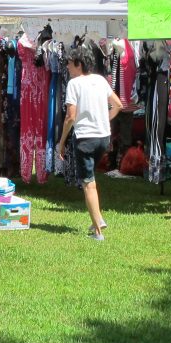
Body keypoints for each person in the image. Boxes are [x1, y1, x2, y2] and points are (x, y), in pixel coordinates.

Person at [56, 45, 125, 241]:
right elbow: (118, 105)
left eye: (70, 63)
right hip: (103, 137)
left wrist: (62, 142)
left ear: (79, 64)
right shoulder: (100, 80)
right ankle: (97, 218)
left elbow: (70, 117)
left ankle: (98, 230)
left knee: (88, 184)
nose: (67, 67)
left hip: (85, 139)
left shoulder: (74, 84)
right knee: (91, 179)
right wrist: (103, 119)